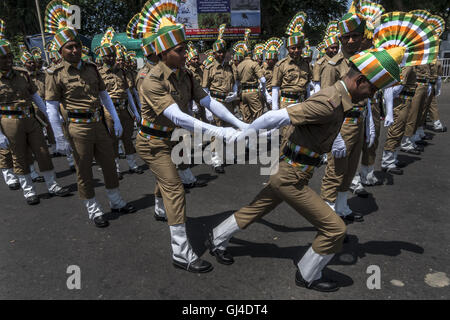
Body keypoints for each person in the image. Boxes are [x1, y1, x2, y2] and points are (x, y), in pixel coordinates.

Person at [205, 10, 438, 292]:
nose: (372, 95)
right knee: (335, 229)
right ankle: (308, 273)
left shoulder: (343, 98)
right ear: (361, 80)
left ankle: (216, 238)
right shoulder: (329, 101)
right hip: (291, 174)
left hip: (293, 172)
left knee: (255, 209)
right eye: (373, 89)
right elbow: (274, 117)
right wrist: (242, 131)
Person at [135, 0, 246, 273]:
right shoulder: (150, 80)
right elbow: (177, 116)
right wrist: (217, 131)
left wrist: (238, 123)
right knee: (175, 188)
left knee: (166, 180)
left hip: (173, 138)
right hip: (153, 142)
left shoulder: (186, 73)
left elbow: (208, 102)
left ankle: (160, 209)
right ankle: (182, 253)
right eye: (181, 50)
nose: (187, 54)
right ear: (163, 53)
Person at [44, 0, 135, 227]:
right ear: (61, 51)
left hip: (99, 124)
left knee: (108, 162)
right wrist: (59, 138)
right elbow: (52, 108)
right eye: (69, 47)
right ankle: (93, 210)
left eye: (77, 46)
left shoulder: (92, 68)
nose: (75, 50)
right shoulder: (55, 74)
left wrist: (114, 120)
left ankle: (116, 201)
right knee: (84, 170)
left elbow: (104, 96)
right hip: (77, 127)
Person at [0, 20, 70, 205]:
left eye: (9, 57)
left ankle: (52, 185)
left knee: (42, 151)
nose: (7, 60)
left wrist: (47, 114)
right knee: (19, 155)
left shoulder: (22, 74)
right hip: (9, 121)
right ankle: (28, 190)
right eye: (3, 58)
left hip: (31, 118)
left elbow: (35, 96)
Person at [319, 10, 374, 221]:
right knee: (334, 172)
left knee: (350, 169)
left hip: (359, 120)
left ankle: (342, 208)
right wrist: (335, 136)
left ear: (362, 38)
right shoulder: (332, 66)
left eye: (355, 36)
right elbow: (326, 102)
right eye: (346, 37)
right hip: (341, 124)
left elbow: (366, 95)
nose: (351, 40)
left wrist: (369, 122)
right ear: (339, 38)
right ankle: (326, 218)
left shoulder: (365, 62)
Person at [96, 28, 142, 179]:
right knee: (112, 140)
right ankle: (116, 168)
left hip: (124, 108)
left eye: (112, 55)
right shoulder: (98, 73)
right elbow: (98, 95)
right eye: (106, 56)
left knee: (127, 138)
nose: (110, 58)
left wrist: (135, 112)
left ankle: (132, 164)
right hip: (109, 111)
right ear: (102, 57)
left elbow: (128, 92)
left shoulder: (121, 72)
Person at [202, 24, 239, 173]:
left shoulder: (231, 67)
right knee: (216, 131)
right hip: (215, 102)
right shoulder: (209, 68)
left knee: (228, 129)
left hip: (228, 103)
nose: (221, 55)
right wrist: (207, 109)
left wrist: (235, 94)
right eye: (218, 52)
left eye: (223, 52)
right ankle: (216, 159)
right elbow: (204, 89)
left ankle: (227, 154)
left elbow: (235, 83)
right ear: (213, 53)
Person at [271, 12, 311, 114]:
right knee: (287, 130)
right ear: (288, 48)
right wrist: (275, 109)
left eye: (299, 47)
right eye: (293, 48)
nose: (296, 50)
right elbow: (275, 87)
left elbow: (307, 86)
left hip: (303, 104)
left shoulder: (306, 64)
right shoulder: (281, 65)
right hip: (286, 105)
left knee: (302, 130)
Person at [236, 29, 267, 123]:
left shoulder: (239, 65)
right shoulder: (254, 64)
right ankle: (261, 136)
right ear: (252, 53)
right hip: (253, 92)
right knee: (258, 115)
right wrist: (263, 90)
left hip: (243, 93)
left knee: (246, 116)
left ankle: (249, 136)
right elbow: (263, 80)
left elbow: (237, 82)